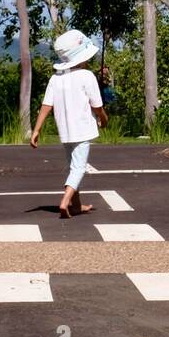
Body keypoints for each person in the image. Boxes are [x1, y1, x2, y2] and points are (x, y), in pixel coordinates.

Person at [31, 29, 108, 218]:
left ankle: (76, 205)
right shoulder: (86, 76)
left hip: (65, 131)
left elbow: (46, 105)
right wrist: (104, 119)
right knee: (79, 167)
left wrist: (37, 129)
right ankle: (65, 202)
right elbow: (97, 105)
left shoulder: (55, 78)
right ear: (82, 57)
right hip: (82, 129)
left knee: (73, 166)